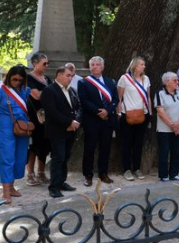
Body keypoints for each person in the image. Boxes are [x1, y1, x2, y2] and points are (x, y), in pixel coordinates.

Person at [0, 65, 31, 203]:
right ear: (9, 77)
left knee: (20, 158)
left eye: (20, 80)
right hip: (4, 126)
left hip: (21, 126)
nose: (17, 82)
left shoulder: (25, 91)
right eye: (14, 79)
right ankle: (5, 191)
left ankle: (11, 186)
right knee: (6, 157)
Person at [77, 56, 119, 186]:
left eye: (97, 64)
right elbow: (84, 101)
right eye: (92, 65)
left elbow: (115, 100)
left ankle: (103, 173)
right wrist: (98, 111)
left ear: (102, 67)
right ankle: (88, 175)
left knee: (105, 148)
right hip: (92, 120)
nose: (94, 67)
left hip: (107, 120)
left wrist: (107, 110)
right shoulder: (84, 82)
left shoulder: (110, 82)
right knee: (89, 148)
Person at [41, 67, 81, 198]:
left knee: (66, 157)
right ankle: (54, 187)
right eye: (68, 75)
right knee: (58, 157)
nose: (70, 78)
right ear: (59, 75)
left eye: (72, 76)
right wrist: (69, 122)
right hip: (57, 131)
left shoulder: (72, 90)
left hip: (71, 130)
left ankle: (62, 182)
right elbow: (52, 112)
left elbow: (79, 108)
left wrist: (76, 122)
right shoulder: (49, 90)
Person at [118, 56, 151, 181]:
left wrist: (150, 113)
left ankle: (137, 168)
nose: (144, 66)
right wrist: (119, 113)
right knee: (127, 143)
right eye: (141, 64)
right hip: (127, 114)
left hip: (143, 114)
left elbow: (147, 96)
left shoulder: (146, 79)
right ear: (135, 66)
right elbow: (119, 97)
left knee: (138, 143)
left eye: (144, 64)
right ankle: (127, 169)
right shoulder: (124, 78)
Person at [156, 72, 179, 181]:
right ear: (167, 82)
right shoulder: (160, 94)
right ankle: (164, 175)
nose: (177, 82)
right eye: (174, 80)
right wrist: (172, 125)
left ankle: (174, 174)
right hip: (164, 130)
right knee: (164, 152)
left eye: (177, 80)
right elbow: (160, 111)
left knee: (176, 152)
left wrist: (178, 124)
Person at [25, 52, 51, 186]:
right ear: (35, 63)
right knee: (33, 146)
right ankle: (30, 173)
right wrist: (49, 94)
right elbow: (36, 96)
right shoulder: (28, 78)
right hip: (33, 116)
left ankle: (41, 172)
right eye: (44, 63)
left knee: (45, 145)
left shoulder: (46, 78)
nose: (46, 66)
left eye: (48, 63)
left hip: (47, 117)